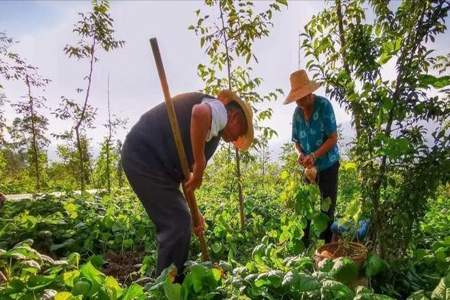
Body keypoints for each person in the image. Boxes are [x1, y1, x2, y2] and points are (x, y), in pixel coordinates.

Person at [121, 90, 253, 278]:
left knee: (183, 218)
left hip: (157, 165)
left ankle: (171, 281)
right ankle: (167, 288)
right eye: (240, 132)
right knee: (177, 223)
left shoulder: (211, 133)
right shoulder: (219, 110)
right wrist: (200, 163)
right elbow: (199, 113)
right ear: (235, 117)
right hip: (145, 156)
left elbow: (185, 174)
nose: (235, 140)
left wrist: (195, 212)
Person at [284, 69, 340, 247]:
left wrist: (315, 155)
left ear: (310, 92)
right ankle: (304, 244)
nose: (302, 102)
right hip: (308, 168)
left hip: (328, 164)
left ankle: (326, 247)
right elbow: (296, 141)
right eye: (298, 99)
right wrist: (300, 154)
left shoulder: (324, 106)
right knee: (305, 204)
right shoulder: (297, 113)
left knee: (327, 206)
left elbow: (332, 138)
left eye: (304, 97)